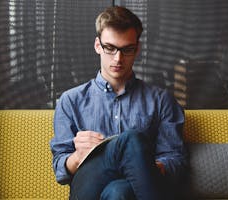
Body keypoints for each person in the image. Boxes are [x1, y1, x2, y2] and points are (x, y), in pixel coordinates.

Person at [50, 6, 188, 200]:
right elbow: (60, 170)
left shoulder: (161, 100)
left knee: (118, 192)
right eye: (110, 48)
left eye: (127, 50)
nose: (118, 58)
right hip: (87, 190)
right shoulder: (70, 100)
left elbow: (176, 162)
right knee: (131, 140)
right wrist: (77, 156)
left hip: (131, 190)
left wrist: (141, 165)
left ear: (137, 49)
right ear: (98, 45)